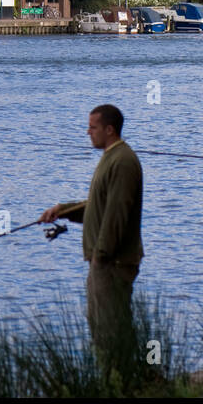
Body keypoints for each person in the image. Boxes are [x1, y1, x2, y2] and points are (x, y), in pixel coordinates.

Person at [41, 105, 143, 367]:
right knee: (100, 326)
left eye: (92, 127)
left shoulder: (122, 161)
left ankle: (125, 380)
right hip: (104, 260)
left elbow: (117, 213)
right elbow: (97, 206)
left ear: (109, 130)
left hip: (112, 262)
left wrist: (101, 255)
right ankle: (118, 379)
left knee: (111, 329)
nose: (88, 132)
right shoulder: (111, 157)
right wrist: (61, 210)